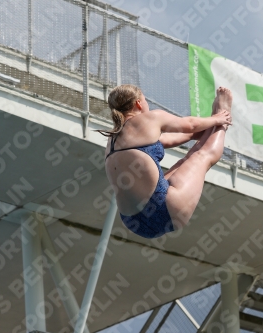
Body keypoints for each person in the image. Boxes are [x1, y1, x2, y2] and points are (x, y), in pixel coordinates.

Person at [98, 84, 233, 239]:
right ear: (138, 103)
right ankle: (224, 118)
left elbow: (171, 139)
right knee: (202, 155)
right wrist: (216, 119)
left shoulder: (113, 139)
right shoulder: (150, 117)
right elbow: (190, 124)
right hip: (162, 209)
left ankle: (216, 127)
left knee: (186, 162)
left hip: (133, 222)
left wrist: (197, 133)